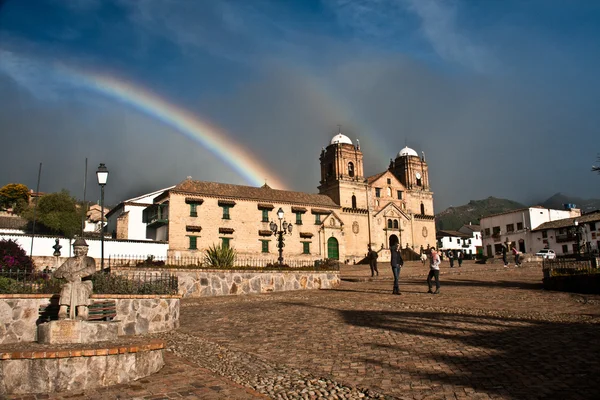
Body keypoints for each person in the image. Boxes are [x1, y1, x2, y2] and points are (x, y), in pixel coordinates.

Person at [53, 238, 97, 320]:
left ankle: (81, 312)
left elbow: (91, 269)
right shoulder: (70, 261)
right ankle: (63, 311)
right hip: (71, 283)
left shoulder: (89, 260)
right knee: (66, 287)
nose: (77, 251)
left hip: (85, 283)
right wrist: (64, 274)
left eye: (80, 249)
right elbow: (57, 272)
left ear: (85, 250)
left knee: (80, 287)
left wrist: (77, 275)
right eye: (75, 249)